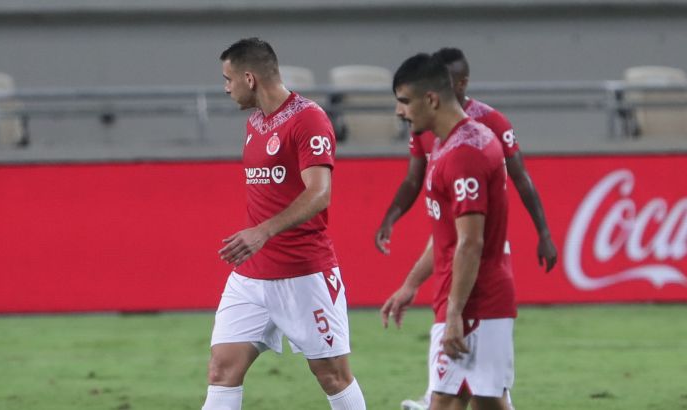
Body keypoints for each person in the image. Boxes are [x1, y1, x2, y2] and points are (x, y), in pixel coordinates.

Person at [201, 38, 366, 410]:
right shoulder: (255, 123)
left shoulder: (309, 119)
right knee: (222, 369)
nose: (226, 88)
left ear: (249, 78)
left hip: (303, 273)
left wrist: (263, 231)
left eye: (228, 79)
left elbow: (319, 193)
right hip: (252, 275)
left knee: (332, 375)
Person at [382, 52, 517, 410]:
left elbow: (471, 242)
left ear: (431, 99)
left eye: (404, 101)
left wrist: (455, 313)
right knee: (480, 401)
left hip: (474, 302)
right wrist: (411, 284)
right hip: (468, 299)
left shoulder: (464, 154)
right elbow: (449, 236)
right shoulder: (451, 143)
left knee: (445, 401)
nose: (399, 111)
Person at [375, 47, 557, 272]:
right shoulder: (423, 125)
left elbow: (521, 178)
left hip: (483, 246)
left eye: (445, 81)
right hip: (445, 241)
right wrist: (390, 217)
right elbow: (413, 180)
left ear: (461, 84)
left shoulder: (492, 122)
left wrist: (544, 233)